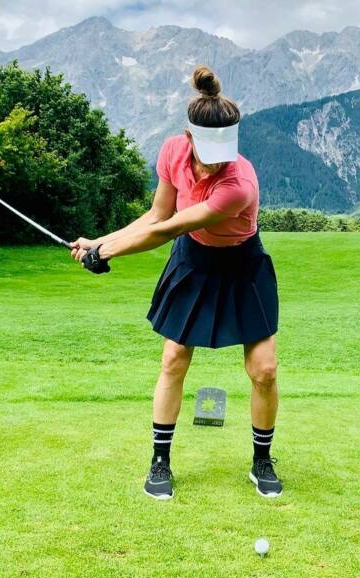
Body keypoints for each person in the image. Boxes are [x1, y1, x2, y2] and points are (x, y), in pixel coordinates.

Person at [70, 65, 282, 501]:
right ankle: (160, 461)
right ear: (189, 138)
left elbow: (168, 230)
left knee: (264, 370)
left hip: (242, 265)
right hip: (194, 262)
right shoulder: (172, 152)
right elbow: (156, 215)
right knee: (173, 360)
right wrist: (99, 242)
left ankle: (262, 460)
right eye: (210, 150)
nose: (218, 160)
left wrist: (105, 253)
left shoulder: (238, 184)